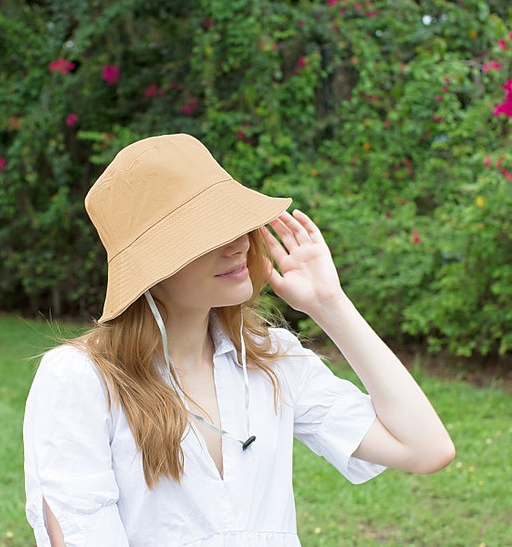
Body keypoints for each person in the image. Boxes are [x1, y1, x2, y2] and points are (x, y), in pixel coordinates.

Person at [23, 133, 455, 547]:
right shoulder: (82, 379)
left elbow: (424, 448)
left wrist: (330, 305)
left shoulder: (272, 359)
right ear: (149, 267)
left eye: (235, 223)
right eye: (207, 233)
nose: (236, 244)